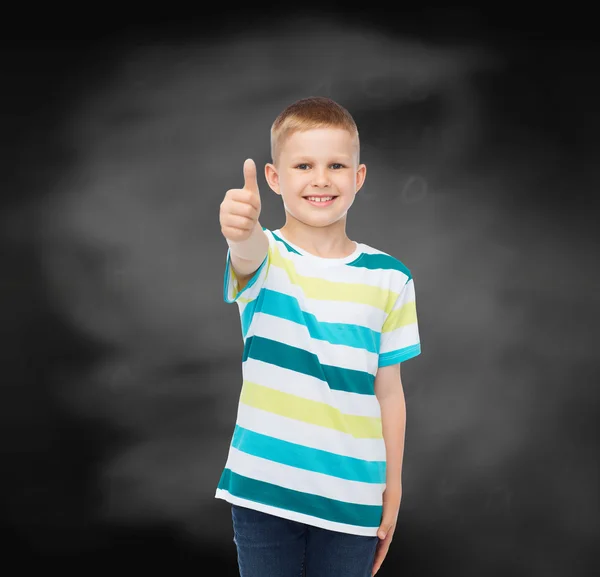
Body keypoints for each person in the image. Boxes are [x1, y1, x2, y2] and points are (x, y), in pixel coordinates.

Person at [216, 96, 421, 577]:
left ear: (359, 177)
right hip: (263, 489)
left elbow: (389, 392)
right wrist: (239, 228)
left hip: (354, 496)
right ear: (274, 178)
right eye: (303, 165)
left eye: (336, 165)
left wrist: (393, 487)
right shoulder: (266, 257)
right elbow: (246, 249)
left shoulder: (392, 278)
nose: (321, 179)